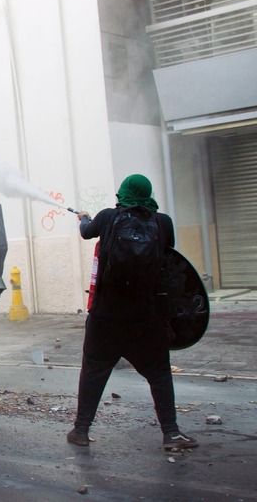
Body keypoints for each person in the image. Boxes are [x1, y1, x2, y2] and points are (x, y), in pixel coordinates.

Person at [67, 174, 198, 451]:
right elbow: (169, 258)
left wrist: (83, 218)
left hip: (106, 317)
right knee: (160, 373)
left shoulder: (106, 218)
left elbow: (86, 231)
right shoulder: (162, 223)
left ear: (123, 193)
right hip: (146, 318)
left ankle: (80, 430)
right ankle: (171, 433)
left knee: (93, 370)